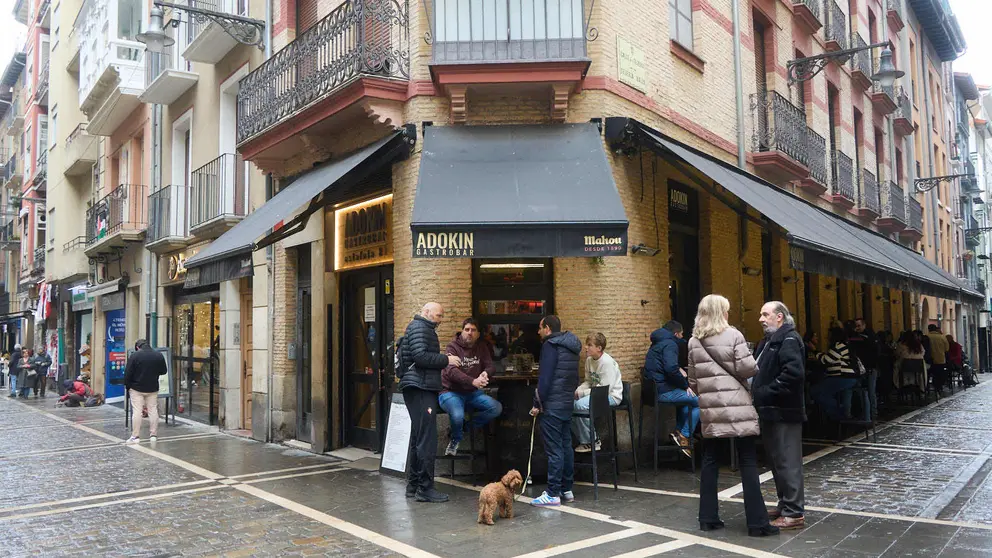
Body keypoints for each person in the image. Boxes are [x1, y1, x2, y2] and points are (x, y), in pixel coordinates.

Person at [689, 295, 779, 538]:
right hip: (737, 406)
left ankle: (707, 518)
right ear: (721, 313)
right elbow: (748, 368)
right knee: (747, 460)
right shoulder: (734, 336)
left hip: (711, 408)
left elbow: (693, 380)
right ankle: (757, 524)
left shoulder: (694, 342)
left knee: (709, 461)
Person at [399, 302, 460, 504]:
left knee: (419, 437)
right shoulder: (420, 327)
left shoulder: (420, 328)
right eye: (438, 315)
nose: (440, 320)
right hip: (421, 388)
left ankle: (414, 486)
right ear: (426, 312)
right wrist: (446, 360)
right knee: (427, 439)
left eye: (442, 316)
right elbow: (421, 356)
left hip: (418, 387)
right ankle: (425, 488)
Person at [753, 301, 806, 530]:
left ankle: (794, 512)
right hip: (772, 411)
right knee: (778, 461)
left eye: (765, 314)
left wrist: (766, 391)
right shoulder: (771, 340)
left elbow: (793, 374)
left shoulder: (789, 339)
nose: (761, 319)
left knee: (788, 461)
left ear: (779, 317)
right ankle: (785, 504)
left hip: (784, 411)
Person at [529, 315, 581, 507]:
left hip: (552, 404)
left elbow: (545, 377)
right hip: (566, 403)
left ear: (548, 328)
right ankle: (566, 489)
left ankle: (552, 493)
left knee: (554, 450)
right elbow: (574, 377)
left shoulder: (550, 345)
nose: (538, 331)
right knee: (566, 446)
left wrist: (537, 402)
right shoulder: (572, 346)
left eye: (540, 327)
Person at [439, 317, 502, 456]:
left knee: (496, 408)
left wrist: (485, 373)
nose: (469, 333)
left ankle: (462, 428)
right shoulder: (452, 347)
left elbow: (491, 366)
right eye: (466, 329)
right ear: (462, 331)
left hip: (472, 393)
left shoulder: (482, 347)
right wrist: (473, 381)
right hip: (450, 392)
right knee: (457, 415)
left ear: (478, 333)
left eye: (473, 330)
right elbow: (451, 372)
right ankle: (455, 440)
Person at [645, 320, 698, 457]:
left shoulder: (657, 342)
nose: (682, 338)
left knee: (686, 404)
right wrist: (685, 385)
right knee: (700, 402)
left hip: (653, 391)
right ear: (676, 334)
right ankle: (684, 435)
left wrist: (678, 369)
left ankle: (678, 434)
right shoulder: (670, 344)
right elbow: (670, 368)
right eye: (681, 334)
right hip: (663, 391)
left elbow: (664, 365)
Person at [572, 332, 622, 453]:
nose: (586, 347)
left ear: (599, 348)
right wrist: (578, 390)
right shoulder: (589, 360)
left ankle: (592, 441)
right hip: (596, 393)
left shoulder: (607, 362)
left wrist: (583, 394)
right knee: (569, 404)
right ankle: (585, 439)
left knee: (579, 405)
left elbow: (605, 389)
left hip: (611, 396)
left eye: (589, 345)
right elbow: (589, 381)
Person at [123, 339, 168, 444]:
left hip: (136, 388)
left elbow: (128, 373)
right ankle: (153, 435)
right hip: (152, 387)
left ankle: (135, 436)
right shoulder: (158, 355)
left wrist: (127, 386)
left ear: (138, 347)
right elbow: (163, 371)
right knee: (153, 410)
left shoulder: (135, 356)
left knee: (137, 412)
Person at [811, 327, 860, 420]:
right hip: (846, 377)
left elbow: (826, 360)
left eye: (828, 335)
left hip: (843, 377)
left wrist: (815, 351)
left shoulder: (839, 346)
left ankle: (839, 413)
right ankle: (837, 414)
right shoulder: (844, 345)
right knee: (822, 392)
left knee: (816, 391)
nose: (827, 337)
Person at [851, 319, 878, 419]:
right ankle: (866, 413)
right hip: (859, 369)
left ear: (864, 325)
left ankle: (872, 414)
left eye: (859, 325)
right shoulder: (855, 337)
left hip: (870, 368)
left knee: (870, 392)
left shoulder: (869, 336)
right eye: (856, 326)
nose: (857, 328)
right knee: (863, 392)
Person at [926, 325, 950, 392]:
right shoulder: (942, 337)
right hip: (940, 359)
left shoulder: (926, 337)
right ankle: (938, 387)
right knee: (939, 375)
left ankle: (927, 388)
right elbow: (947, 349)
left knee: (928, 374)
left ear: (929, 329)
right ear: (936, 329)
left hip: (929, 360)